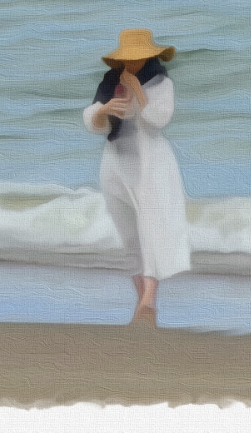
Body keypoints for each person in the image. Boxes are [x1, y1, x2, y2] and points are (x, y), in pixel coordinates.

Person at [82, 29, 191, 326]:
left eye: (137, 57)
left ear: (148, 55)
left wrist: (137, 91)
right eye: (127, 58)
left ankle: (148, 301)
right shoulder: (110, 81)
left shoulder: (160, 82)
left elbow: (158, 119)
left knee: (152, 229)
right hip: (116, 160)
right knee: (128, 234)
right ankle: (143, 304)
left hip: (150, 162)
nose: (132, 63)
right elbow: (93, 121)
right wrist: (104, 109)